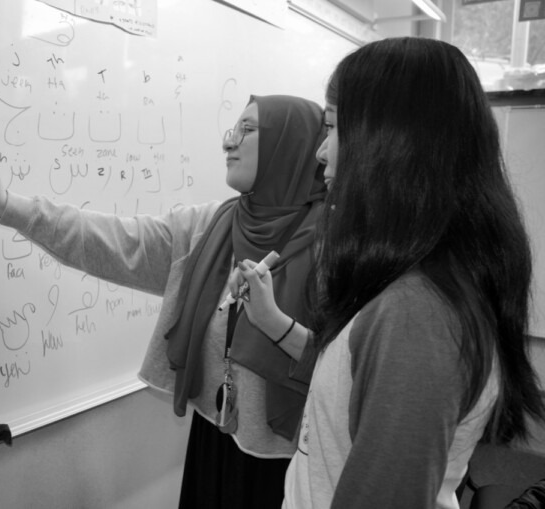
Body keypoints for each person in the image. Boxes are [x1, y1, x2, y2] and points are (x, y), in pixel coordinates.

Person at [0, 95, 327, 508]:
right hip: (215, 436)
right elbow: (114, 241)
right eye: (231, 130)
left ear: (289, 145)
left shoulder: (337, 245)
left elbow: (342, 365)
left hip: (293, 458)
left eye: (248, 130)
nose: (229, 143)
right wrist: (8, 205)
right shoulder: (210, 226)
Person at [234, 37, 545, 509]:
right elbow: (352, 382)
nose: (321, 153)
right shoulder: (411, 278)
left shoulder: (418, 315)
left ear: (392, 144)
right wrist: (273, 323)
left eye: (333, 127)